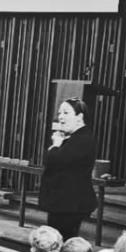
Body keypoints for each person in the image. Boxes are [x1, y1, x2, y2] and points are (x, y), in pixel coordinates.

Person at [38, 96, 98, 240]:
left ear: (79, 117)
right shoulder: (74, 137)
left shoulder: (82, 139)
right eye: (59, 113)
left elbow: (55, 161)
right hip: (64, 202)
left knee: (61, 241)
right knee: (58, 240)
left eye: (66, 113)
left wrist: (56, 145)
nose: (60, 117)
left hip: (69, 204)